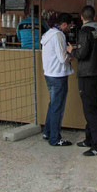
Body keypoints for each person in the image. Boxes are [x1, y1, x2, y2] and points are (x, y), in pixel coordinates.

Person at [67, 5, 97, 156]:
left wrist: (72, 51)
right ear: (95, 17)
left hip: (86, 74)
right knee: (91, 105)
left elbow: (82, 54)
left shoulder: (84, 31)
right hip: (96, 71)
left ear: (81, 17)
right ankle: (89, 139)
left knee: (90, 109)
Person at [40, 12, 74, 147]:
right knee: (57, 107)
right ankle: (55, 138)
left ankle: (47, 131)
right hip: (58, 75)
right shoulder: (59, 35)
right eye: (70, 26)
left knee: (53, 104)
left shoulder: (48, 34)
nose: (70, 29)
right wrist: (71, 55)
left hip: (49, 73)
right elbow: (62, 58)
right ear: (64, 24)